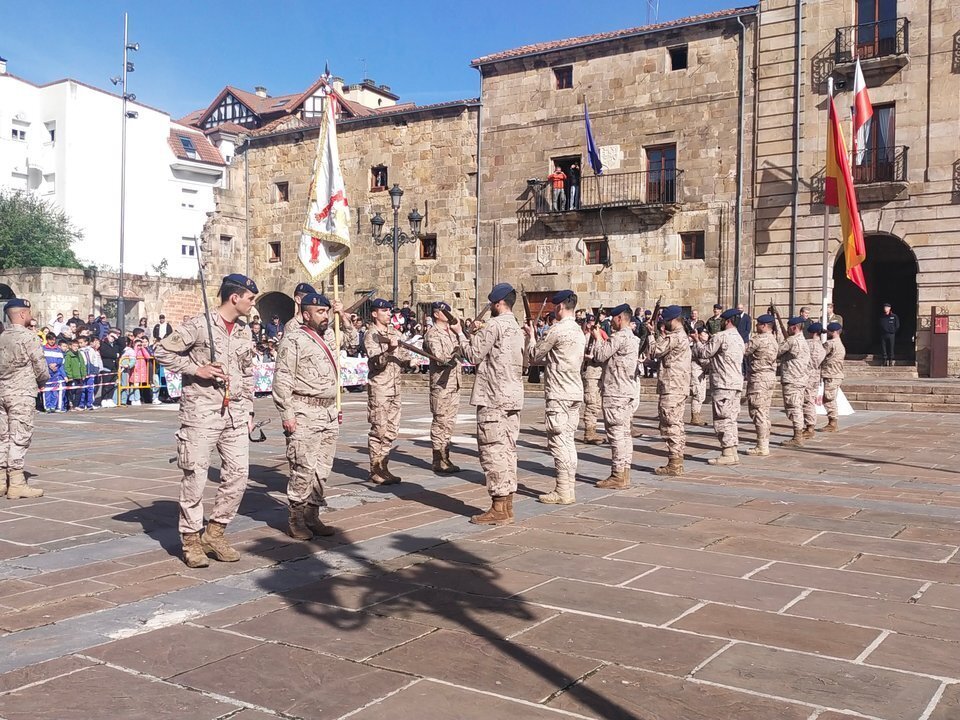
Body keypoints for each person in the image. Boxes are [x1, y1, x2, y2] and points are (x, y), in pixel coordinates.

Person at [154, 273, 258, 569]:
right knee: (196, 475)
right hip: (201, 411)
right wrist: (195, 369)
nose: (252, 304)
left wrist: (249, 408)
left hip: (235, 411)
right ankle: (190, 538)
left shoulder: (243, 330)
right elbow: (161, 351)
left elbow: (248, 371)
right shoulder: (199, 325)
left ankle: (216, 532)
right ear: (234, 297)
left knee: (238, 475)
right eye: (250, 298)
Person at [271, 292, 345, 540]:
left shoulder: (330, 336)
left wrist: (340, 313)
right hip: (304, 410)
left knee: (323, 468)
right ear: (306, 314)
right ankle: (296, 518)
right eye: (320, 312)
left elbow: (354, 338)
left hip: (328, 411)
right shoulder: (294, 340)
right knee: (303, 467)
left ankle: (313, 514)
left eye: (326, 312)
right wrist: (287, 414)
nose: (325, 317)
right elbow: (282, 379)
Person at [452, 283, 524, 524]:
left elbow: (472, 355)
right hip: (512, 396)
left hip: (493, 396)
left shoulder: (494, 324)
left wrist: (460, 334)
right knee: (508, 450)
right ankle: (508, 502)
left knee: (492, 450)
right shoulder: (516, 327)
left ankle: (499, 506)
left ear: (497, 303)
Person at [524, 289, 585, 504]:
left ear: (559, 307)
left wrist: (531, 336)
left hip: (559, 393)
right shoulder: (579, 331)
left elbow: (534, 355)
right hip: (575, 391)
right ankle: (568, 489)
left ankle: (562, 490)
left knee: (559, 442)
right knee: (568, 442)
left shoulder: (557, 330)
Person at [0, 299, 50, 498]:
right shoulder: (30, 338)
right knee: (19, 437)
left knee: (2, 436)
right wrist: (42, 381)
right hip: (21, 393)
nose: (31, 315)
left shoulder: (1, 337)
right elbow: (41, 368)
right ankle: (17, 482)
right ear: (22, 314)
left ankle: (1, 480)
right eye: (28, 312)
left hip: (1, 392)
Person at [591, 303, 640, 489]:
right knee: (625, 434)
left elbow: (600, 355)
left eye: (614, 319)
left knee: (616, 434)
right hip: (627, 390)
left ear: (620, 318)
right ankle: (624, 472)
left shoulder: (619, 337)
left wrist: (597, 338)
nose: (612, 322)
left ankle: (618, 474)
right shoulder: (633, 338)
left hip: (616, 392)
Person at [365, 298, 412, 484]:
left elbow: (403, 354)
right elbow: (375, 362)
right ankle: (375, 469)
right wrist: (389, 350)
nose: (388, 314)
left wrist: (409, 361)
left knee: (392, 430)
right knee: (379, 429)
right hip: (380, 388)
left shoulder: (394, 332)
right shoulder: (372, 334)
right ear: (375, 313)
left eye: (389, 311)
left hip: (395, 387)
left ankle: (384, 466)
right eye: (384, 311)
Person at [692, 308, 745, 465]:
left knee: (723, 419)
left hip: (723, 383)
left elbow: (704, 353)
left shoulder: (721, 336)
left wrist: (696, 341)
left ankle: (727, 451)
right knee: (731, 418)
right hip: (735, 383)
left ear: (727, 321)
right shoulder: (739, 338)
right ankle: (732, 451)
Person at [647, 305, 691, 476]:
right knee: (676, 423)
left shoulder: (676, 336)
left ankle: (675, 462)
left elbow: (655, 351)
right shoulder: (680, 336)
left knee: (671, 424)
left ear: (672, 320)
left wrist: (652, 334)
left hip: (672, 386)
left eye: (665, 321)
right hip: (678, 385)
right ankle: (676, 460)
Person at [423, 301, 463, 475]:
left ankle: (446, 455)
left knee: (450, 422)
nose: (447, 313)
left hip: (454, 382)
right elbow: (440, 358)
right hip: (441, 384)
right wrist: (456, 349)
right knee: (440, 421)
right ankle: (438, 459)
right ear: (436, 314)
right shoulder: (433, 334)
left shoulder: (452, 332)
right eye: (443, 311)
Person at [744, 314, 779, 457]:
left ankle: (762, 446)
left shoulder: (758, 339)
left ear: (764, 325)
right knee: (764, 411)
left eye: (758, 324)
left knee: (758, 411)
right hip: (770, 377)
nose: (756, 326)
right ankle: (764, 443)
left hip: (759, 378)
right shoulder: (774, 340)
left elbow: (744, 351)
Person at [778, 316, 811, 447]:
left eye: (788, 327)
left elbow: (778, 351)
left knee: (793, 407)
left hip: (792, 378)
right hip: (800, 378)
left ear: (794, 327)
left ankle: (798, 436)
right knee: (797, 406)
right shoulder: (803, 340)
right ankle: (798, 433)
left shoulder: (792, 340)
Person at [580, 314, 607, 444]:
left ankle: (592, 430)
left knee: (596, 404)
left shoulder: (599, 338)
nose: (593, 325)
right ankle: (589, 432)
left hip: (599, 374)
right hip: (590, 373)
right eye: (590, 323)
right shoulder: (584, 338)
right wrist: (586, 356)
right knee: (591, 404)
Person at [820, 322, 846, 432]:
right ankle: (832, 421)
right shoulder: (840, 343)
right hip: (836, 374)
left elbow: (820, 354)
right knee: (831, 398)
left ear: (834, 332)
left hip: (831, 374)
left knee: (828, 399)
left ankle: (832, 422)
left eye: (829, 331)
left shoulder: (830, 344)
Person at [802, 322, 826, 439]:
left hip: (807, 376)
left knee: (807, 402)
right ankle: (809, 425)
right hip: (816, 376)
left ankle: (809, 426)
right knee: (810, 400)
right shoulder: (821, 347)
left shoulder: (808, 344)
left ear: (811, 333)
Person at [688, 328, 710, 426]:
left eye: (706, 334)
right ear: (699, 335)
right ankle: (695, 417)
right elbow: (702, 359)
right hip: (696, 371)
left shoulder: (704, 345)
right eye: (704, 334)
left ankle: (697, 415)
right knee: (698, 394)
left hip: (701, 372)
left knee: (701, 395)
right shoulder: (697, 345)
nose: (706, 336)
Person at [42, 333, 65, 412]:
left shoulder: (58, 349)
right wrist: (49, 365)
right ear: (47, 340)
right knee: (47, 390)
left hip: (56, 372)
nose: (52, 341)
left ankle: (53, 406)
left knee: (55, 390)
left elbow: (61, 359)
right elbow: (41, 359)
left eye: (54, 340)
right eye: (50, 340)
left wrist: (56, 364)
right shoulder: (43, 348)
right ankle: (47, 406)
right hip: (47, 372)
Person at [63, 338, 85, 411]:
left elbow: (82, 364)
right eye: (74, 346)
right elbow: (67, 366)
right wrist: (70, 375)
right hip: (72, 377)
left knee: (79, 391)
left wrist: (83, 374)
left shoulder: (79, 354)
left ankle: (76, 405)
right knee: (71, 391)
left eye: (77, 346)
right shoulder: (68, 355)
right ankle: (71, 405)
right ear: (70, 346)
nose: (76, 347)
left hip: (79, 376)